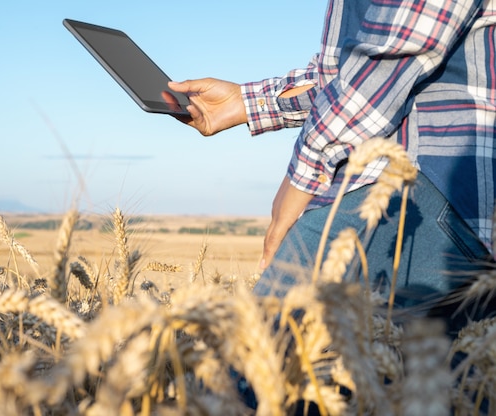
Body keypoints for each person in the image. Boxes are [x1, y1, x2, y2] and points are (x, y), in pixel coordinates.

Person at [168, 0, 496, 328]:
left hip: (423, 180)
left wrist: (301, 178)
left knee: (258, 355)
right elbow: (348, 73)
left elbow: (386, 64)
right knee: (432, 374)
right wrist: (245, 102)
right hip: (458, 196)